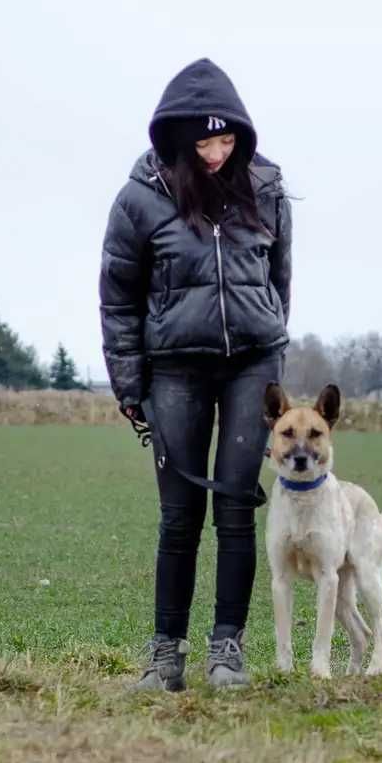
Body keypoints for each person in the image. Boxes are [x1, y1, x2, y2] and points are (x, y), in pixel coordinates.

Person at [99, 58, 292, 690]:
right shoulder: (139, 198)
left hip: (250, 367)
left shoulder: (266, 187)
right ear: (177, 136)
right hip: (173, 371)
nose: (215, 152)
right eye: (203, 140)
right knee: (179, 516)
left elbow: (278, 281)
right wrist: (130, 386)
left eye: (226, 138)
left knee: (236, 508)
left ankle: (227, 653)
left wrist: (268, 348)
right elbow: (118, 296)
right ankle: (165, 657)